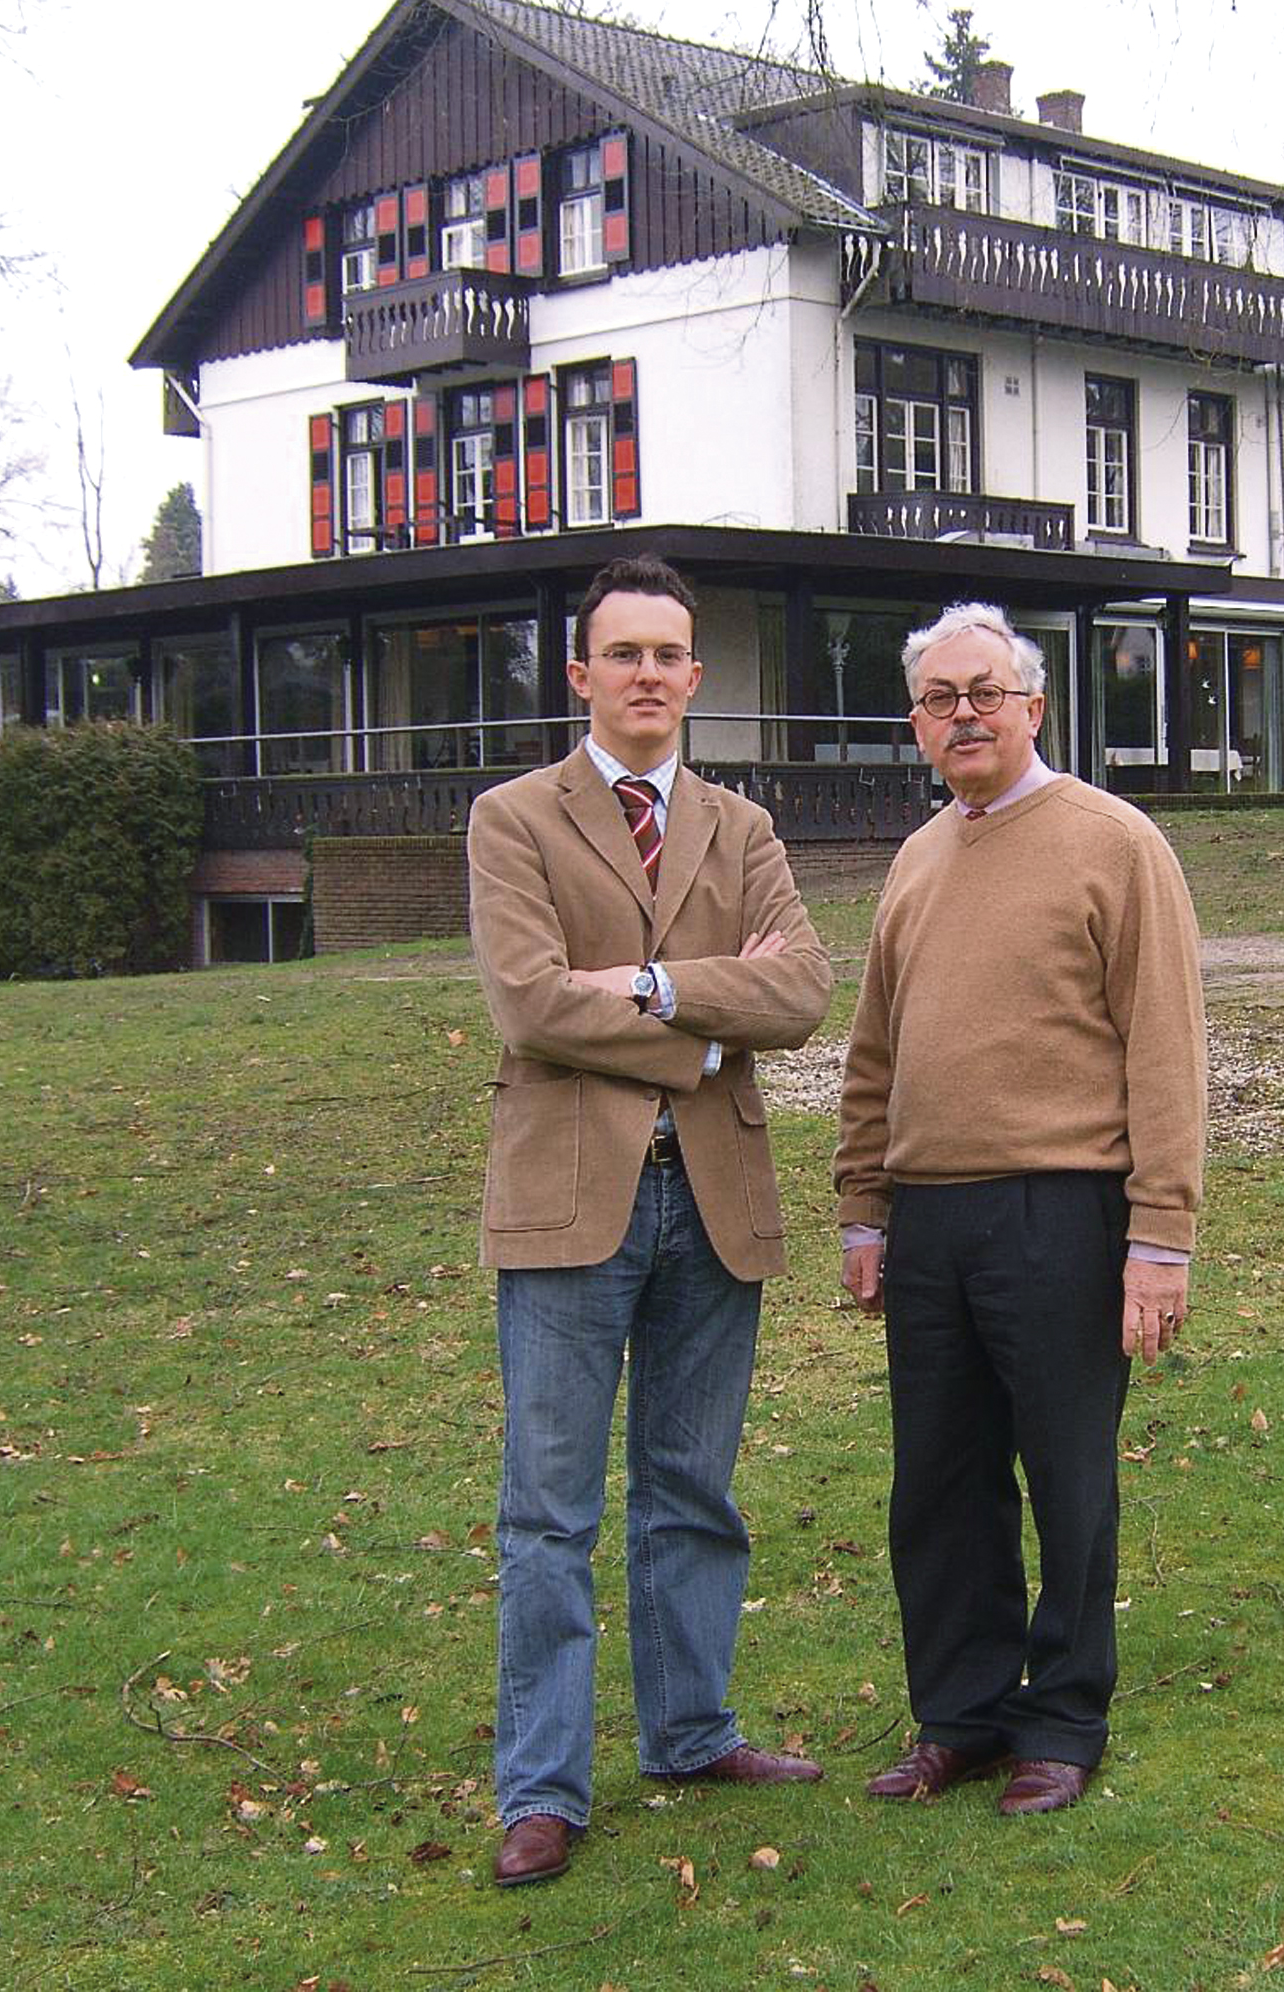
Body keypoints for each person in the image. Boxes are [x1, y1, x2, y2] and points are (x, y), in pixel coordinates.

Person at [468, 555, 834, 1887]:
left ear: (693, 673)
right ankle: (542, 1789)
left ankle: (688, 1731)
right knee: (547, 1514)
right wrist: (698, 1027)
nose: (648, 677)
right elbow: (527, 1005)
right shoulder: (511, 819)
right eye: (622, 654)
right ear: (581, 674)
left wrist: (645, 984)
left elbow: (797, 991)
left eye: (668, 655)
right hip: (572, 1206)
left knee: (694, 1489)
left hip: (715, 1204)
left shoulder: (740, 829)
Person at [835, 601, 1207, 1817]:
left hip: (1063, 1212)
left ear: (1033, 706)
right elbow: (875, 1048)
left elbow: (1165, 1050)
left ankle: (1063, 1718)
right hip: (930, 1223)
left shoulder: (1113, 842)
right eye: (941, 699)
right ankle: (962, 1715)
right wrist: (863, 1207)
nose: (965, 716)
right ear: (917, 725)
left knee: (1065, 1476)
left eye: (985, 692)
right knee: (939, 1485)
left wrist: (1160, 1237)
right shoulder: (916, 859)